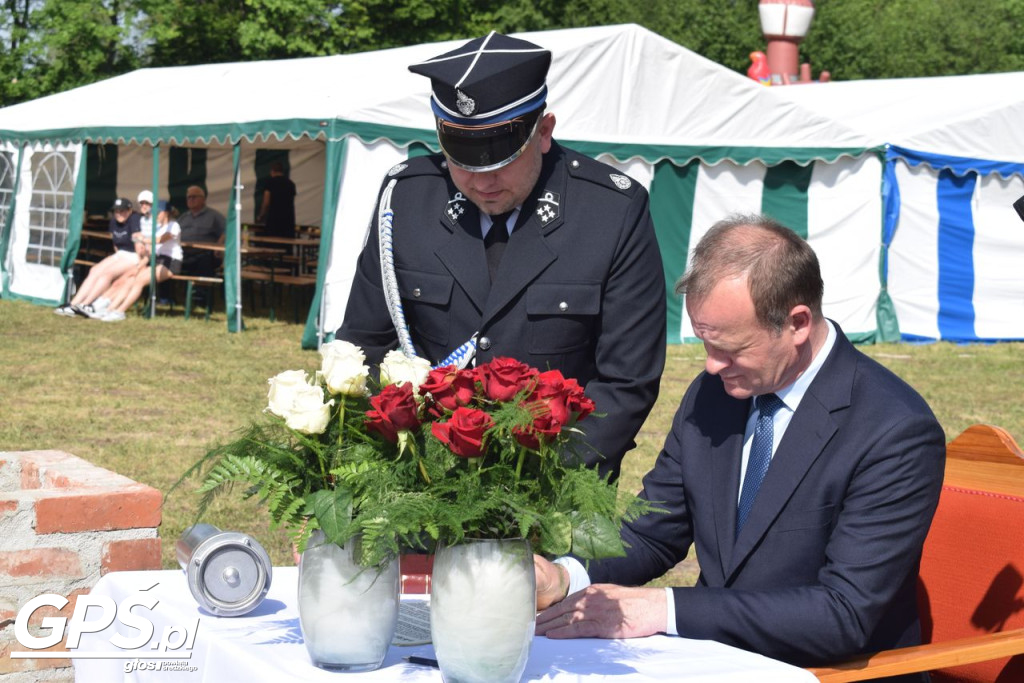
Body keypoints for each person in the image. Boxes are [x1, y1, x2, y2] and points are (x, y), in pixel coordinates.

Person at [533, 214, 946, 681]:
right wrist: (563, 576)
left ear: (797, 323)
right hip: (722, 663)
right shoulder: (716, 394)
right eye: (706, 342)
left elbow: (843, 613)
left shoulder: (894, 429)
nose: (711, 366)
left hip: (836, 673)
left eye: (730, 348)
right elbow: (654, 530)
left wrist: (664, 608)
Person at [336, 32, 666, 479]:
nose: (482, 181)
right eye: (464, 162)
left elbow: (626, 384)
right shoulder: (407, 200)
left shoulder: (610, 213)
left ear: (544, 132)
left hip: (554, 488)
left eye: (502, 161)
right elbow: (364, 346)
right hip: (423, 484)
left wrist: (527, 481)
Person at [55, 197, 144, 317]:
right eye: (116, 211)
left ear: (129, 210)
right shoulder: (114, 222)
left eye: (122, 211)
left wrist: (140, 264)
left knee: (107, 274)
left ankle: (87, 304)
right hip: (121, 254)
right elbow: (116, 245)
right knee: (94, 270)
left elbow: (138, 244)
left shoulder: (135, 219)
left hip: (134, 256)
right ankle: (74, 303)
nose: (119, 214)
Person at [94, 202, 183, 322]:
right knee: (128, 278)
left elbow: (161, 240)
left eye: (157, 213)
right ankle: (110, 308)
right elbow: (153, 251)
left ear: (166, 213)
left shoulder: (174, 225)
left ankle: (120, 311)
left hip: (171, 262)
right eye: (153, 213)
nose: (154, 215)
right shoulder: (157, 227)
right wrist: (139, 265)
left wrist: (143, 239)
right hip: (156, 259)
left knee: (139, 281)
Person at [177, 185, 225, 277]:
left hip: (204, 254)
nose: (191, 199)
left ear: (203, 199)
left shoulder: (213, 215)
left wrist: (219, 244)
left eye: (194, 197)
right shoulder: (183, 217)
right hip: (183, 253)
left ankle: (199, 290)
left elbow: (228, 229)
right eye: (188, 197)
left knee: (204, 260)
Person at [257, 161, 297, 238]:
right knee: (286, 245)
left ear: (272, 171)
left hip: (274, 219)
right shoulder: (291, 184)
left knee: (273, 245)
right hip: (288, 220)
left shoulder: (270, 182)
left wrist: (261, 215)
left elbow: (266, 202)